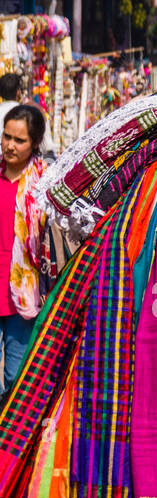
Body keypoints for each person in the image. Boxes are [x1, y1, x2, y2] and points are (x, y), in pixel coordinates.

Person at [0, 105, 47, 391]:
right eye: (6, 137)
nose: (9, 145)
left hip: (23, 299)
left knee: (16, 380)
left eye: (19, 140)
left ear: (35, 143)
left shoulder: (45, 184)